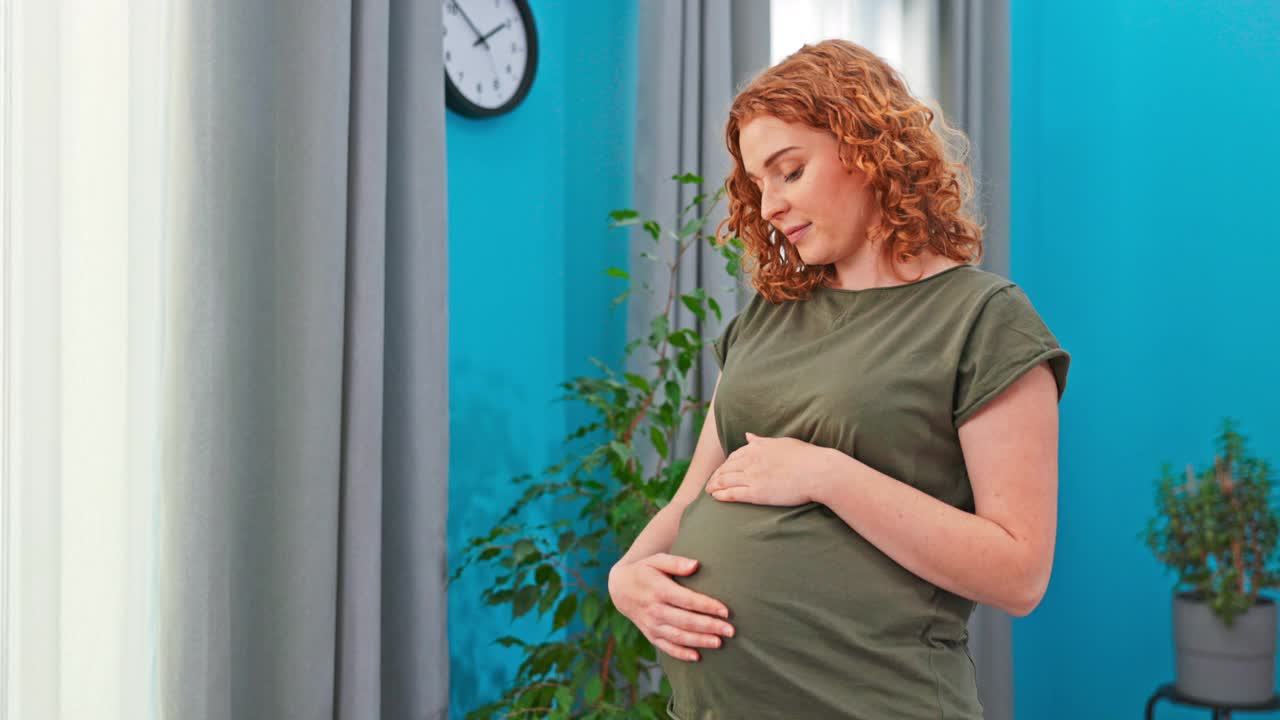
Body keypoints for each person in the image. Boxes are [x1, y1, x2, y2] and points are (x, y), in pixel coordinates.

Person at [607, 39, 1070, 719]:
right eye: (757, 184)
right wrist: (626, 577)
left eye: (788, 171)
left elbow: (1020, 572)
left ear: (868, 148)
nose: (767, 207)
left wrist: (828, 475)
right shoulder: (766, 317)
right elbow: (690, 502)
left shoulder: (983, 320)